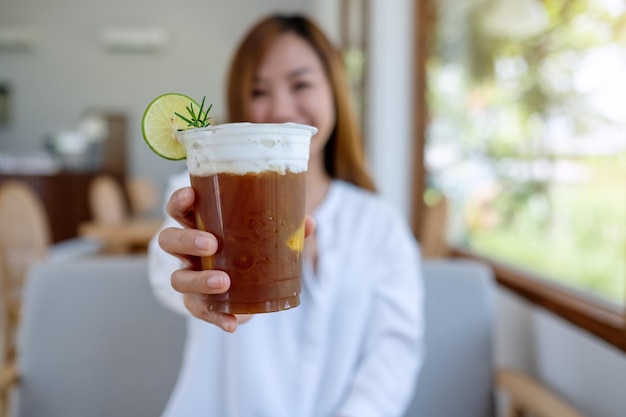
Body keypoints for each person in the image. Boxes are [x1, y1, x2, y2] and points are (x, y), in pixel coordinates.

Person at [148, 13, 424, 417]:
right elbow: (165, 272)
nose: (279, 108)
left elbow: (394, 351)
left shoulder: (379, 224)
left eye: (301, 84)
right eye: (259, 90)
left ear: (335, 92)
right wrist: (193, 280)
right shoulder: (201, 194)